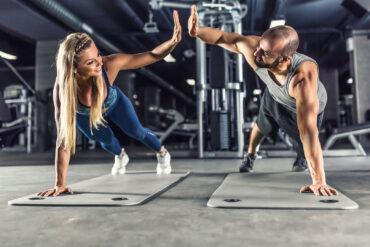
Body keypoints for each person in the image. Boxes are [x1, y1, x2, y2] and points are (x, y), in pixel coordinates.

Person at [188, 5, 337, 196]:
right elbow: (223, 38)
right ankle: (250, 156)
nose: (256, 54)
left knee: (303, 137)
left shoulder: (301, 80)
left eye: (265, 53)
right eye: (259, 47)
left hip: (299, 102)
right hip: (274, 94)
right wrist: (198, 31)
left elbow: (309, 131)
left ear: (284, 60)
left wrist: (319, 182)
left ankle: (302, 158)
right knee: (260, 125)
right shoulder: (255, 49)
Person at [38, 11, 182, 197]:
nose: (99, 62)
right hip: (86, 115)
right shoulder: (64, 89)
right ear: (74, 68)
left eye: (97, 55)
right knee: (106, 141)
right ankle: (121, 156)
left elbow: (152, 55)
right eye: (90, 62)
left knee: (136, 131)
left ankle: (162, 153)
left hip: (115, 103)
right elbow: (64, 139)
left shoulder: (108, 65)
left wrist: (173, 42)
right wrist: (60, 184)